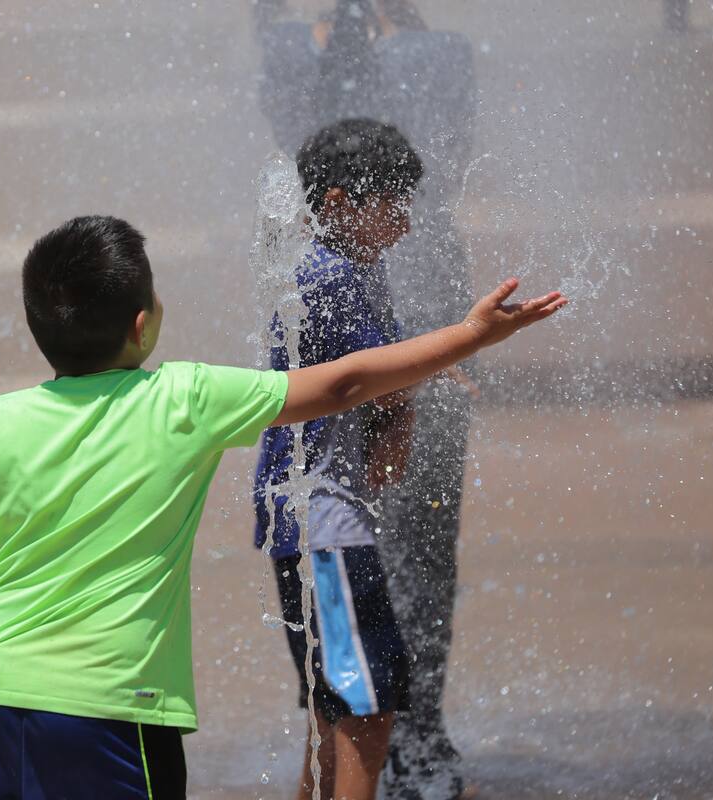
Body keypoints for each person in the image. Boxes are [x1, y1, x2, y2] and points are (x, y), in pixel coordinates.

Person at [0, 213, 565, 799]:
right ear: (143, 325)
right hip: (114, 713)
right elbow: (343, 385)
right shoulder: (182, 398)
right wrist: (469, 336)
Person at [255, 4, 481, 796]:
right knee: (342, 591)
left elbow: (447, 138)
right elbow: (288, 118)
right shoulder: (287, 42)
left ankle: (417, 737)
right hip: (371, 356)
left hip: (427, 310)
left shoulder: (436, 53)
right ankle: (362, 746)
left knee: (420, 545)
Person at [253, 118, 423, 800]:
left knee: (337, 694)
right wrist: (410, 402)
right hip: (324, 522)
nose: (406, 225)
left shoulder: (347, 266)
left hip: (315, 514)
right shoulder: (332, 276)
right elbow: (380, 378)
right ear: (336, 203)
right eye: (393, 205)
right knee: (366, 700)